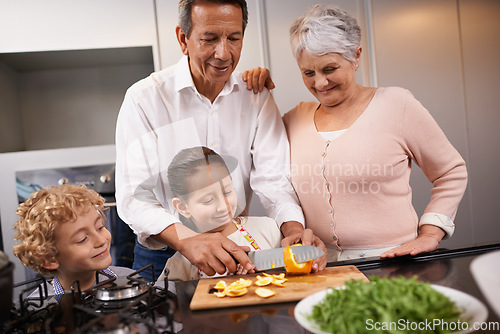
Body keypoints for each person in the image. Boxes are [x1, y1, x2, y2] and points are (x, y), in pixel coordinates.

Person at [115, 0, 327, 282]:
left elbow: (273, 179)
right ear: (183, 38)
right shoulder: (145, 99)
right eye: (210, 39)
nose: (223, 53)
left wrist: (293, 231)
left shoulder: (256, 96)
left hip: (238, 248)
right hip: (163, 252)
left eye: (234, 38)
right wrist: (187, 240)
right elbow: (133, 197)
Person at [243, 5, 468, 261]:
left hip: (392, 262)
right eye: (308, 73)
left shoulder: (397, 105)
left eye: (329, 69)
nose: (319, 83)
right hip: (320, 267)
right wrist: (250, 86)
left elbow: (451, 172)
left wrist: (431, 233)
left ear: (356, 56)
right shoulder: (293, 120)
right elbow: (267, 169)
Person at [158, 146, 282, 281]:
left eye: (227, 192)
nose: (223, 207)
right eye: (208, 200)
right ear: (183, 207)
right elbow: (169, 299)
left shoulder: (269, 229)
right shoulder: (182, 261)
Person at [12, 184, 136, 297]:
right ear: (50, 259)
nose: (101, 240)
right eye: (82, 239)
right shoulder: (39, 306)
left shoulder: (130, 279)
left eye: (100, 227)